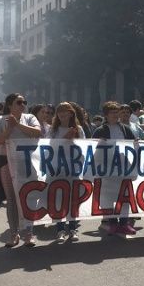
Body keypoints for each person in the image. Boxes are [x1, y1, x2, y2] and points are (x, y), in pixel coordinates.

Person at [0, 93, 42, 247]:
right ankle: (13, 234)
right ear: (10, 105)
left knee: (28, 197)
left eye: (24, 102)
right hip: (8, 165)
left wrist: (17, 125)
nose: (22, 104)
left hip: (27, 163)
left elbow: (37, 132)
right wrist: (8, 130)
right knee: (12, 199)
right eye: (19, 102)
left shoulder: (30, 118)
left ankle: (28, 233)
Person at [93, 101, 138, 236]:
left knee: (124, 196)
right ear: (106, 115)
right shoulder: (100, 130)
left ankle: (124, 223)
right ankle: (112, 223)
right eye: (112, 113)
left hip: (123, 167)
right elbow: (92, 149)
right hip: (107, 169)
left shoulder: (125, 129)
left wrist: (136, 143)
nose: (116, 115)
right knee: (107, 196)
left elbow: (134, 145)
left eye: (117, 112)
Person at [49, 102, 85, 242]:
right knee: (59, 200)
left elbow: (84, 147)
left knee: (73, 200)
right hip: (57, 169)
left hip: (74, 169)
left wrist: (74, 139)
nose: (62, 113)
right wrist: (65, 139)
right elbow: (48, 147)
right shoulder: (53, 130)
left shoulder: (79, 129)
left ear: (71, 113)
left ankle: (73, 228)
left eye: (65, 111)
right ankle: (60, 229)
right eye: (59, 111)